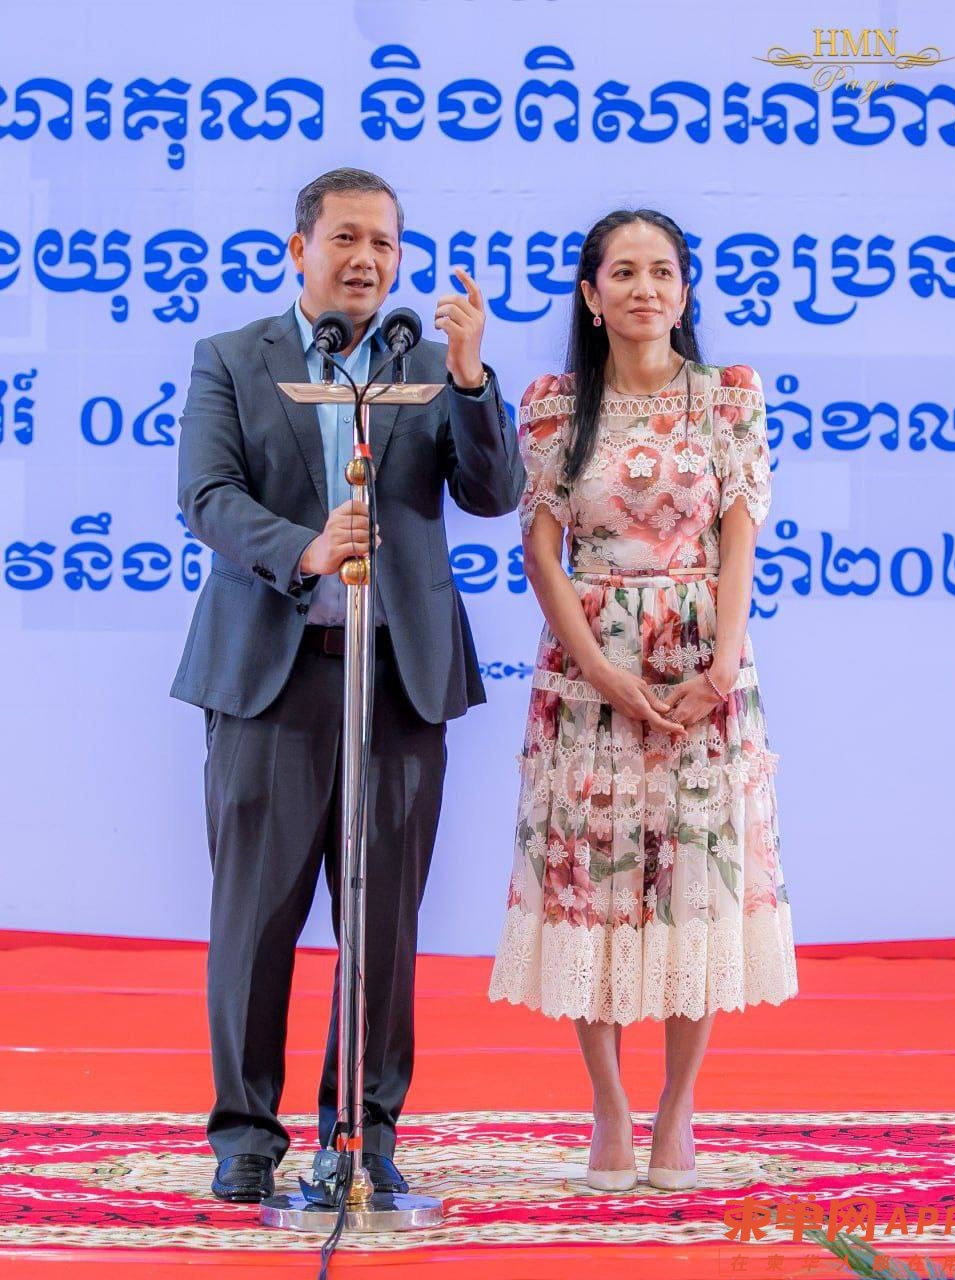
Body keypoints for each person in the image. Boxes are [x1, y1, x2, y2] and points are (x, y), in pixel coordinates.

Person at [172, 167, 524, 1202]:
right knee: (256, 915)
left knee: (383, 920)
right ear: (300, 248)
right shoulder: (235, 358)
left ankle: (361, 1132)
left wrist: (470, 374)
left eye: (383, 243)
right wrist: (308, 546)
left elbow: (494, 492)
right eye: (345, 239)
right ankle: (245, 1136)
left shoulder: (425, 363)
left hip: (399, 680)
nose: (365, 259)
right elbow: (205, 493)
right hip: (272, 681)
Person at [488, 208, 798, 1192]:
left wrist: (724, 659)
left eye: (662, 271)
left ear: (685, 289)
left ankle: (677, 1106)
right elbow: (541, 552)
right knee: (595, 887)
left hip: (707, 671)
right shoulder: (550, 404)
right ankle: (610, 1105)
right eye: (621, 272)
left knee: (694, 887)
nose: (643, 289)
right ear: (590, 293)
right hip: (588, 673)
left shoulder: (728, 398)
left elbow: (741, 532)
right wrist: (601, 668)